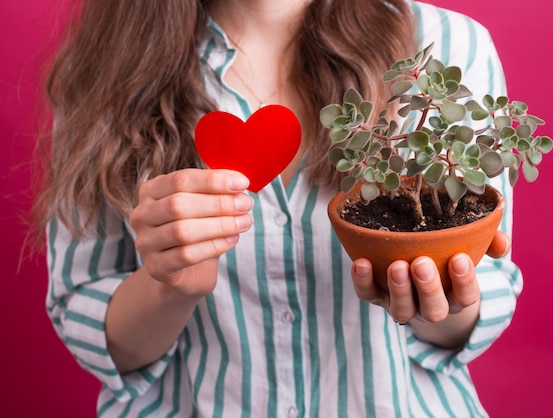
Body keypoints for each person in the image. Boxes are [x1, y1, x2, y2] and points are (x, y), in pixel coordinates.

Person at [35, 0, 522, 416]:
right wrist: (168, 286)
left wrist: (439, 298)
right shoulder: (106, 70)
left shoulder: (446, 45)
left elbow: (484, 288)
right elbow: (87, 313)